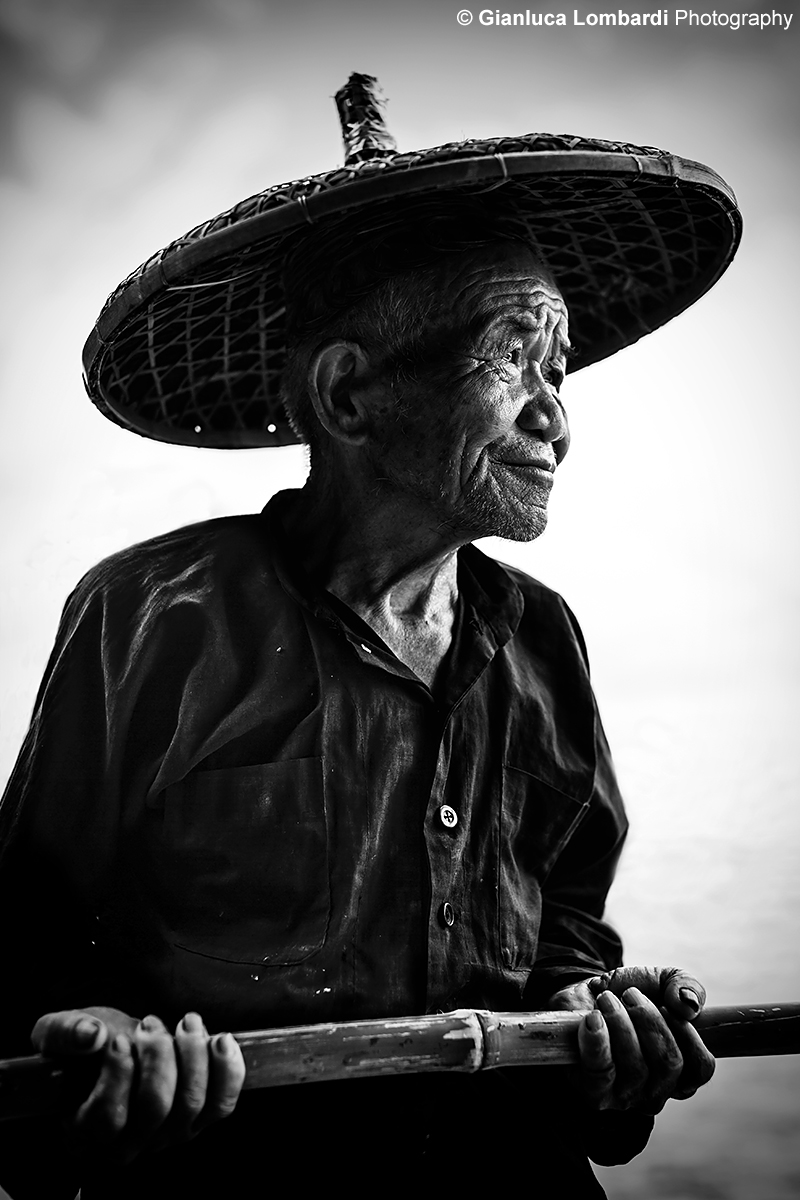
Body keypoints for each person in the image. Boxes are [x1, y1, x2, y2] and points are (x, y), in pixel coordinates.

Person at [0, 77, 740, 1197]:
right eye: (511, 357)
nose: (555, 414)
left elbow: (565, 946)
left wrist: (601, 1038)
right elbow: (22, 950)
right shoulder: (157, 614)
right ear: (349, 397)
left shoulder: (539, 641)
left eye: (558, 363)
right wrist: (96, 1035)